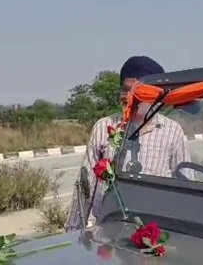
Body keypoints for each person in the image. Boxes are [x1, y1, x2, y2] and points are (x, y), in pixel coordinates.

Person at [64, 56, 194, 231]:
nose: (129, 97)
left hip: (156, 233)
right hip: (109, 228)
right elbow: (85, 186)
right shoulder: (103, 128)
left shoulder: (172, 131)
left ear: (155, 95)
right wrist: (74, 233)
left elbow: (187, 186)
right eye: (125, 90)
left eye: (137, 91)